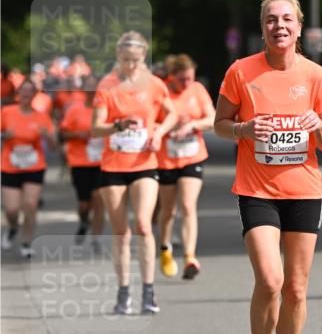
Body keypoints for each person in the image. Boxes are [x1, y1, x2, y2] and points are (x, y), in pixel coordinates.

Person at [215, 0, 322, 334]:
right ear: (263, 27)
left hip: (304, 191)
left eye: (287, 19)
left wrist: (317, 126)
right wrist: (243, 131)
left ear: (300, 28)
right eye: (271, 19)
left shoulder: (317, 76)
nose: (279, 26)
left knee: (297, 289)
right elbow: (220, 123)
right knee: (270, 280)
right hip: (256, 190)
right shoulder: (241, 71)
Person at [91, 31, 177, 315]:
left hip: (144, 163)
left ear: (143, 56)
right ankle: (123, 291)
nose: (129, 65)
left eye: (134, 60)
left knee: (142, 225)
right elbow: (95, 127)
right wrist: (118, 125)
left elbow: (172, 114)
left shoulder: (154, 84)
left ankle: (149, 291)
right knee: (121, 232)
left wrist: (160, 132)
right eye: (125, 60)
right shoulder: (107, 85)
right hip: (113, 166)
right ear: (118, 56)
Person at [157, 54, 215, 279]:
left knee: (188, 205)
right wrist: (167, 127)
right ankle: (165, 248)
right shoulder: (161, 91)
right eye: (182, 80)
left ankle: (190, 256)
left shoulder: (198, 90)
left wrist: (192, 124)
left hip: (193, 155)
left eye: (190, 78)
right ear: (172, 77)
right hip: (166, 158)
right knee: (168, 209)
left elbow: (212, 118)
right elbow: (148, 120)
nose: (187, 83)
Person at [1, 78, 57, 256]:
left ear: (34, 94)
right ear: (19, 93)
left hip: (34, 165)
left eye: (29, 91)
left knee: (30, 205)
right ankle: (12, 227)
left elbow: (54, 146)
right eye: (23, 90)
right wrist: (4, 135)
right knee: (11, 209)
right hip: (10, 165)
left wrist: (47, 136)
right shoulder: (7, 112)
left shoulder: (42, 117)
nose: (26, 94)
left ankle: (26, 243)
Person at [59, 75, 105, 247]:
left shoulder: (105, 109)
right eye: (89, 88)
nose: (92, 92)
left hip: (101, 162)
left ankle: (97, 237)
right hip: (80, 161)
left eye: (95, 88)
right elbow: (63, 134)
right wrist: (78, 135)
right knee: (84, 203)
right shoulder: (74, 110)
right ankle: (84, 221)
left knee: (99, 198)